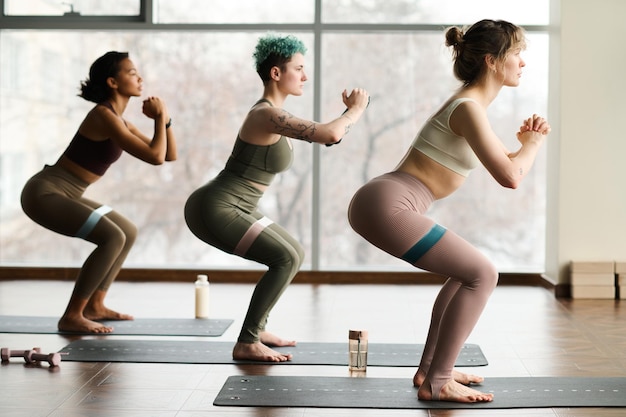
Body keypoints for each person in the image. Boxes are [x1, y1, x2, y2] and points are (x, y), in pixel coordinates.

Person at [348, 19, 550, 403]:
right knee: (483, 272)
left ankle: (430, 370)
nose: (523, 62)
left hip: (383, 200)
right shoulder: (468, 108)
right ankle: (437, 381)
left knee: (465, 274)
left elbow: (505, 160)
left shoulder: (470, 107)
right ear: (492, 60)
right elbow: (511, 176)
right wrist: (534, 144)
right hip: (388, 204)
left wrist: (524, 144)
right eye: (518, 53)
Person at [184, 34, 369, 362]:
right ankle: (247, 341)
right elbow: (330, 133)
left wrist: (346, 116)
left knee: (292, 253)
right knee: (285, 256)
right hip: (219, 206)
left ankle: (257, 330)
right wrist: (355, 110)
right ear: (276, 73)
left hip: (231, 205)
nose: (305, 76)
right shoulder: (265, 115)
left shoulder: (273, 116)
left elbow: (329, 137)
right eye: (299, 68)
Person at [21, 51, 178, 334]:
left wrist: (164, 119)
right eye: (131, 72)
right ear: (112, 82)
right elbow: (156, 157)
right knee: (111, 236)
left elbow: (168, 155)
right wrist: (159, 117)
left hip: (68, 193)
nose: (139, 77)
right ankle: (72, 315)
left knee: (127, 230)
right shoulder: (103, 116)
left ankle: (96, 304)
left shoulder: (119, 120)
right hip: (45, 193)